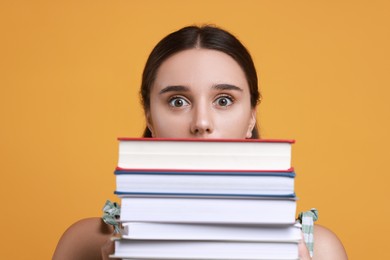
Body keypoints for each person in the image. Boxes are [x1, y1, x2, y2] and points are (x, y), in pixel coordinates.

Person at [53, 25, 348, 260]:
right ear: (150, 117)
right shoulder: (86, 243)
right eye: (178, 101)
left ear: (251, 118)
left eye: (223, 100)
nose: (202, 123)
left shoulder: (318, 248)